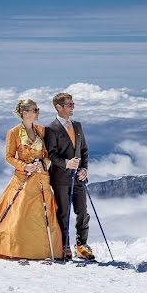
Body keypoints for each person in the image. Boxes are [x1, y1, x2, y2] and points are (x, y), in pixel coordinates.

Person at [0, 99, 63, 260]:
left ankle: (45, 250)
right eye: (35, 110)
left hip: (41, 177)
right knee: (18, 213)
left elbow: (48, 154)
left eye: (37, 109)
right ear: (25, 113)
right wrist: (24, 166)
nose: (38, 113)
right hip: (23, 178)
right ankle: (15, 248)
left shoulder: (41, 131)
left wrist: (44, 163)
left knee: (44, 213)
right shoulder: (13, 132)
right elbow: (8, 156)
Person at [45, 92, 94, 260]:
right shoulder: (51, 129)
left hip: (79, 177)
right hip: (60, 178)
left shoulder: (78, 126)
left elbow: (84, 151)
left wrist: (84, 169)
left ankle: (81, 245)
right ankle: (64, 246)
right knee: (63, 213)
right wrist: (66, 163)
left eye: (73, 104)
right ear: (59, 107)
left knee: (83, 212)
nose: (73, 107)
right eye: (69, 104)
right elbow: (51, 154)